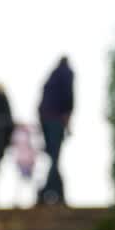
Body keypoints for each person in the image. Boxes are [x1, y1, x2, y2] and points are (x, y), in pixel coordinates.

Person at [38, 56, 74, 205]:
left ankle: (57, 192)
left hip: (46, 119)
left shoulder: (52, 76)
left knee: (54, 156)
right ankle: (47, 191)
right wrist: (67, 119)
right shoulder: (67, 73)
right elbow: (69, 97)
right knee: (54, 157)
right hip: (56, 119)